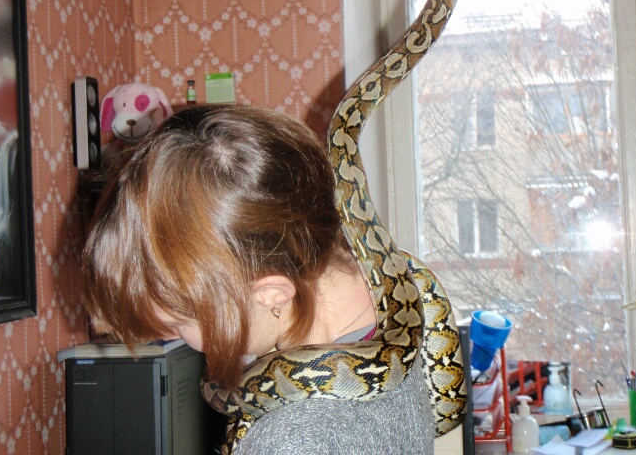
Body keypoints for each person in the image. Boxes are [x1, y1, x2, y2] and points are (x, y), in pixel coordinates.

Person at [80, 104, 437, 454]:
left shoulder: (291, 443)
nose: (176, 339)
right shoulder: (404, 321)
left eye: (178, 323)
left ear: (272, 293)